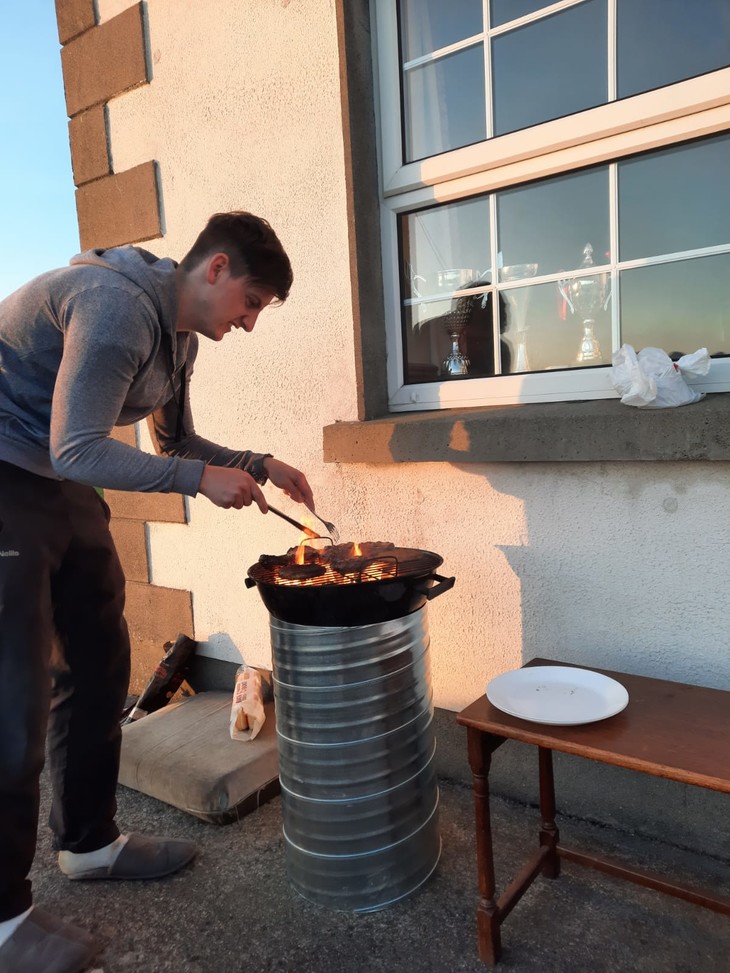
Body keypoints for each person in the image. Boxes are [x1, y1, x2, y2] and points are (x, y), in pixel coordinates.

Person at [0, 211, 315, 972]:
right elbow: (77, 442)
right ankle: (4, 923)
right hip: (8, 472)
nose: (247, 323)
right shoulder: (113, 310)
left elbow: (173, 445)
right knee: (13, 697)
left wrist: (256, 461)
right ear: (215, 269)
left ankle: (88, 841)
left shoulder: (176, 338)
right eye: (250, 304)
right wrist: (198, 482)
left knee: (101, 657)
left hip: (54, 476)